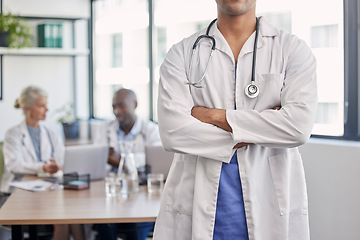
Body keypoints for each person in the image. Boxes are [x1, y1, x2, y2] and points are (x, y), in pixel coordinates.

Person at [154, 1, 317, 240]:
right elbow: (172, 132)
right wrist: (262, 126)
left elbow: (297, 128)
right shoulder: (182, 54)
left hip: (269, 211)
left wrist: (213, 116)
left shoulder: (292, 50)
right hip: (195, 211)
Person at [1, 86, 85, 240]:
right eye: (41, 105)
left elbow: (63, 158)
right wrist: (42, 167)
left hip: (46, 188)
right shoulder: (13, 134)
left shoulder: (50, 132)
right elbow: (13, 165)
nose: (47, 109)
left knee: (73, 214)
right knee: (63, 219)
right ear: (27, 108)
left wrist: (58, 165)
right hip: (17, 192)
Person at [95, 88, 161, 240]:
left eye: (121, 106)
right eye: (114, 107)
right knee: (103, 223)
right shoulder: (104, 130)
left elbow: (154, 163)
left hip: (141, 194)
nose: (117, 111)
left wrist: (119, 160)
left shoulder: (151, 131)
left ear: (135, 104)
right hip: (110, 194)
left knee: (137, 225)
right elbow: (97, 163)